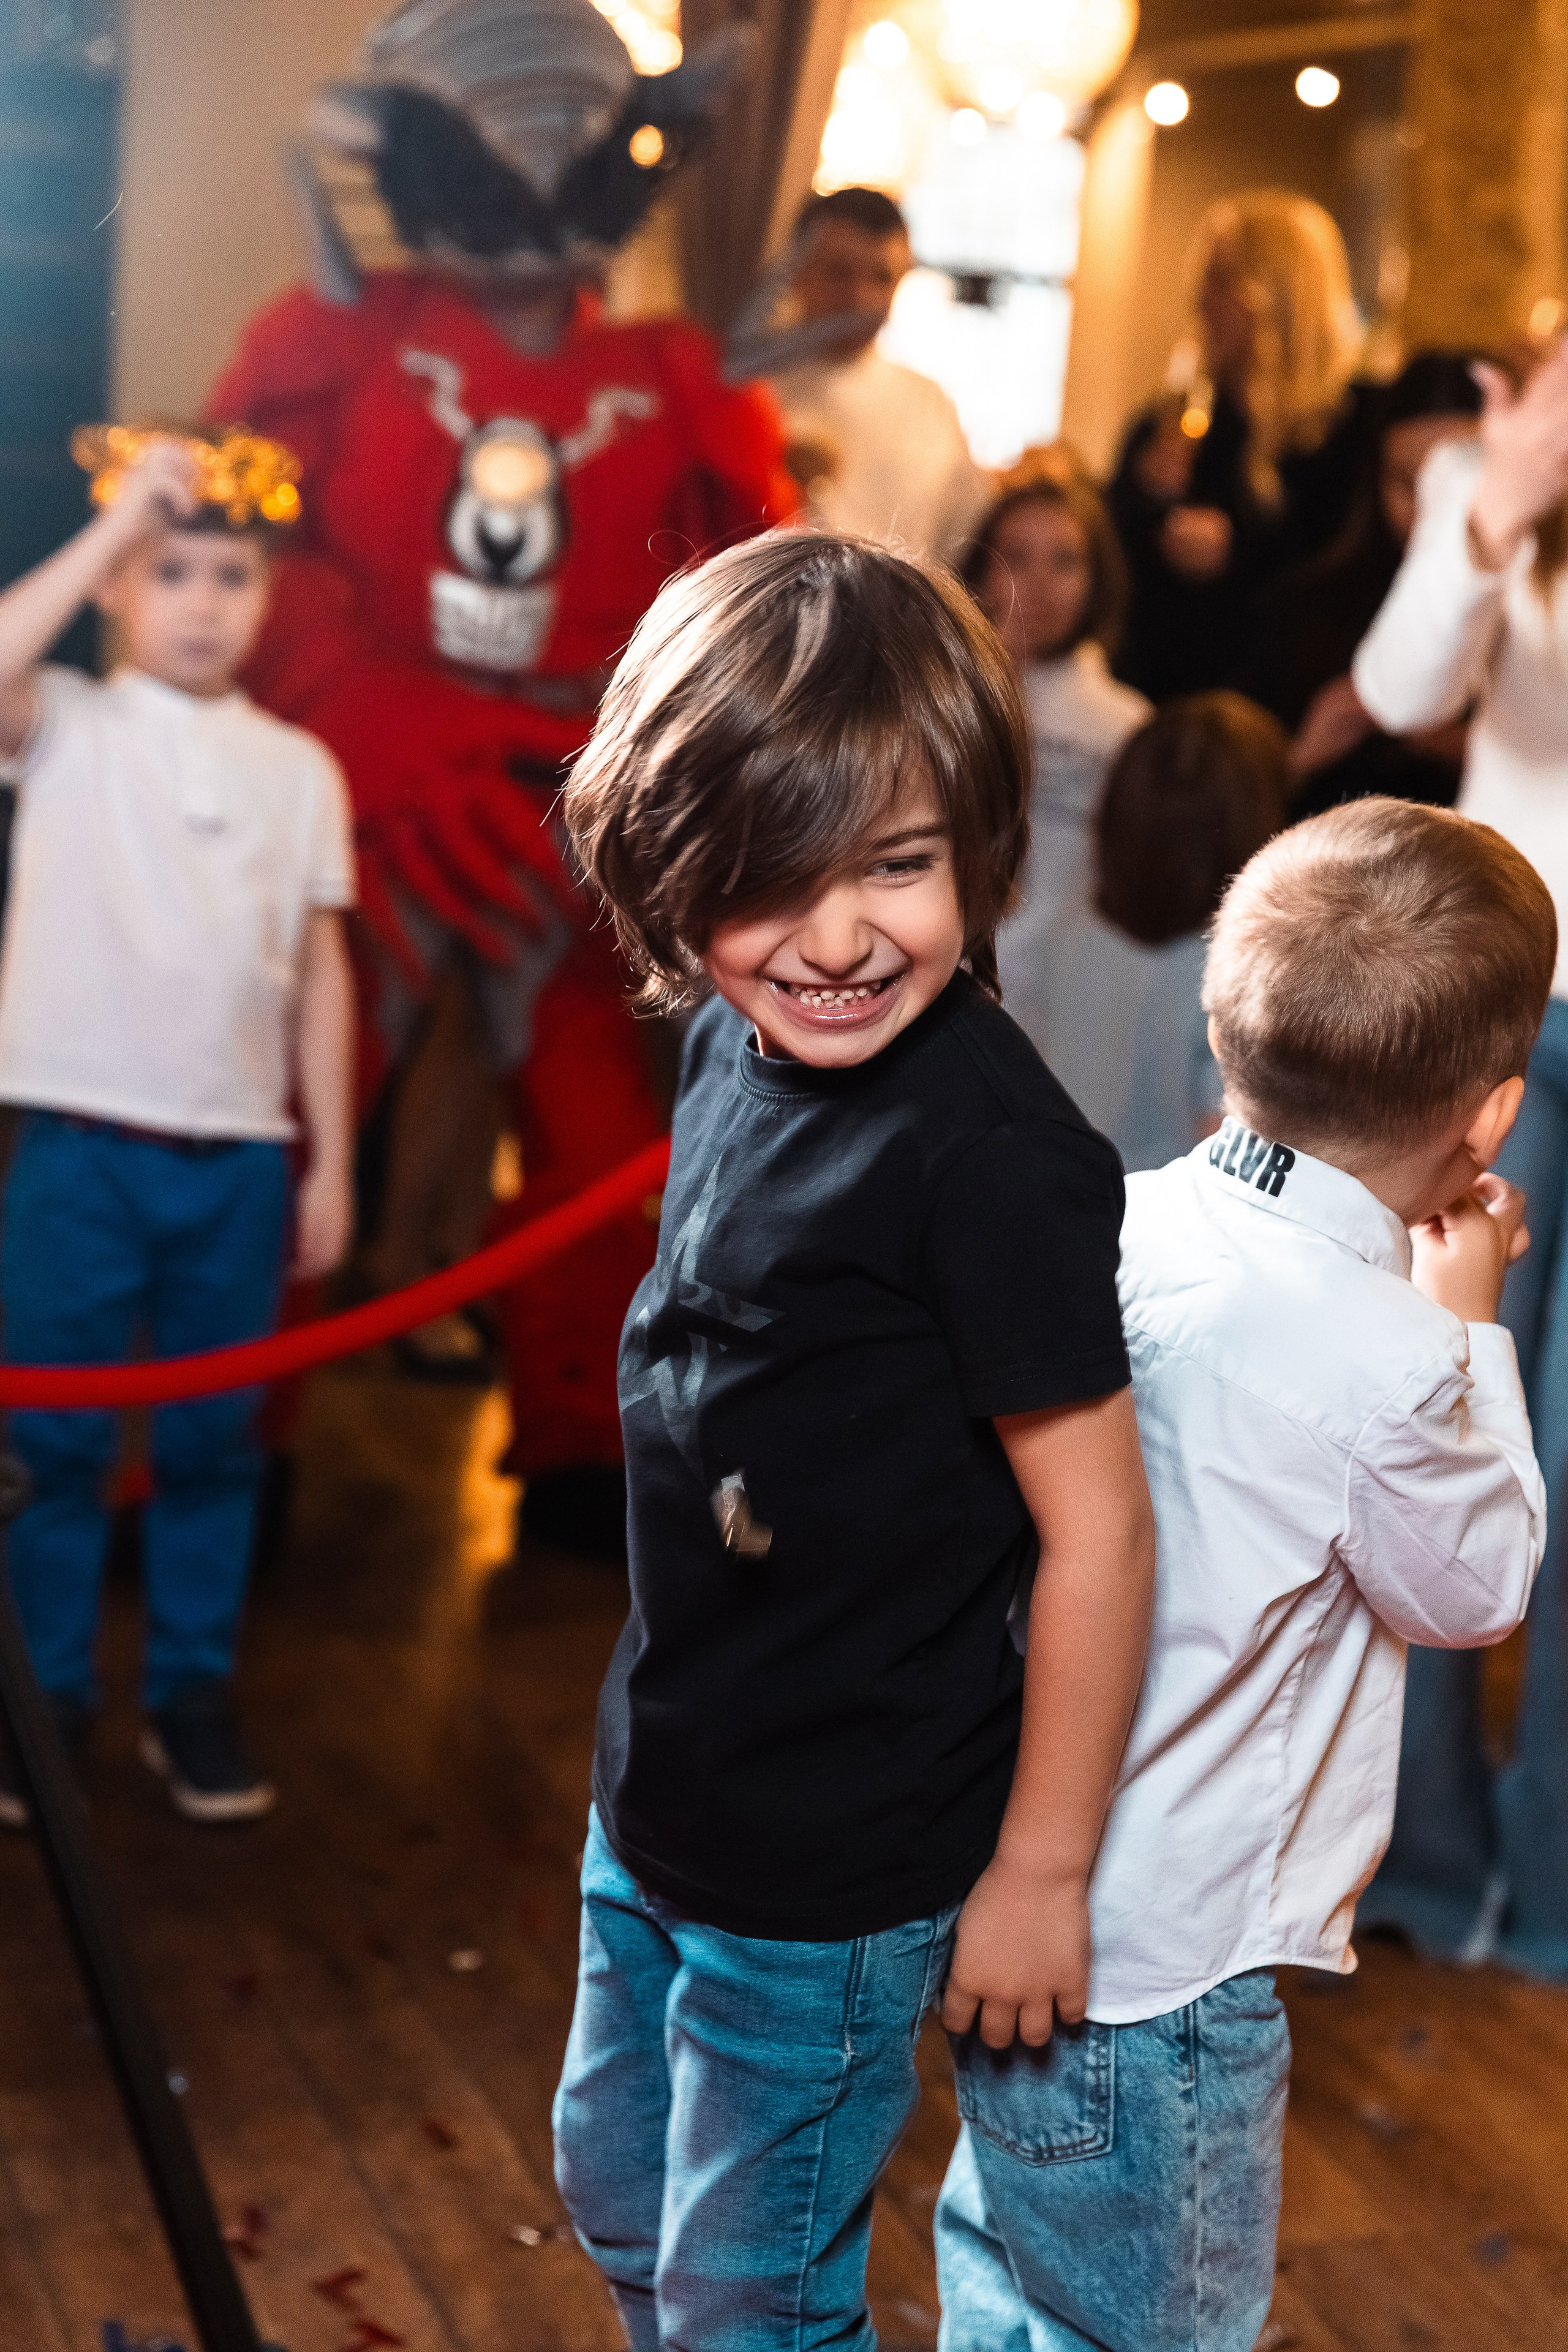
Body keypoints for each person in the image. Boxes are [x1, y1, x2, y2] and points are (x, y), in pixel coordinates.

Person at [551, 531, 1155, 2350]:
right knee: (611, 2183)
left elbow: (1100, 1534)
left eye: (894, 867)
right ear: (666, 879)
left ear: (975, 843)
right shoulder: (737, 1040)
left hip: (839, 1860)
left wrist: (1039, 1873)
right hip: (664, 1782)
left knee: (750, 2294)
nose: (833, 939)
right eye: (764, 884)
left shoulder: (986, 1157)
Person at [937, 797, 1549, 2352]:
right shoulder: (1394, 1361)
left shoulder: (1115, 1224)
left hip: (1010, 1903)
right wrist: (1467, 1323)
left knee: (1005, 2287)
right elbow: (1474, 1587)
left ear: (1226, 1030)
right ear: (1485, 1120)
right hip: (1174, 1974)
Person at [211, 0, 797, 1558]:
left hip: (584, 811)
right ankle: (206, 1454)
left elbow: (739, 593)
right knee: (278, 1113)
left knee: (598, 1134)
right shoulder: (330, 335)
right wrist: (380, 715)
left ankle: (580, 1450)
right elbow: (229, 556)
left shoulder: (673, 373)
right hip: (365, 810)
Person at [0, 430, 355, 1826]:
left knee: (218, 1442)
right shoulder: (70, 720)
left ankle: (190, 1691)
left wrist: (322, 1147)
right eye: (170, 571)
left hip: (238, 1156)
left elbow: (321, 973)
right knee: (54, 1443)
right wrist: (112, 524)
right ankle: (44, 1698)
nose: (202, 600)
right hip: (80, 1148)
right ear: (117, 592)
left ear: (266, 595)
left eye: (228, 574)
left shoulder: (301, 766)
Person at [1351, 334, 1568, 1978]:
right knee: (1447, 1421)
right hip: (1520, 1031)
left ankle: (1553, 1893)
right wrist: (1501, 502)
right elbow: (1402, 693)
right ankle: (1424, 1868)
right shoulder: (1482, 479)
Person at [1005, 693, 1287, 1172]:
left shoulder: (1069, 926)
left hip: (1062, 1185)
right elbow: (1224, 1134)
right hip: (1164, 1214)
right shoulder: (1242, 968)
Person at [1108, 190, 1369, 702]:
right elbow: (1110, 556)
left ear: (1280, 293)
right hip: (1161, 701)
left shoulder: (1348, 430)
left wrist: (1240, 553)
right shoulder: (1173, 419)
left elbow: (1345, 581)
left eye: (1221, 279)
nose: (1201, 298)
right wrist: (1146, 499)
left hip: (1278, 716)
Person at [1247, 350, 1483, 818]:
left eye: (1451, 482)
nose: (1425, 509)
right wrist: (1303, 753)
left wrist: (1444, 739)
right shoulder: (1307, 606)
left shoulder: (1537, 617)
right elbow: (1239, 802)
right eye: (1405, 481)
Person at [966, 471, 1150, 957]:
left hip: (1079, 982)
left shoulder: (1127, 724)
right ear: (980, 572)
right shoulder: (941, 701)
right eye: (1017, 559)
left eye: (1065, 561)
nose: (1040, 584)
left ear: (1097, 579)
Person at [758, 186, 989, 562]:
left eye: (881, 278)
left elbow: (965, 547)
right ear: (796, 271)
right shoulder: (751, 391)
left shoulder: (931, 407)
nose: (859, 297)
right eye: (838, 272)